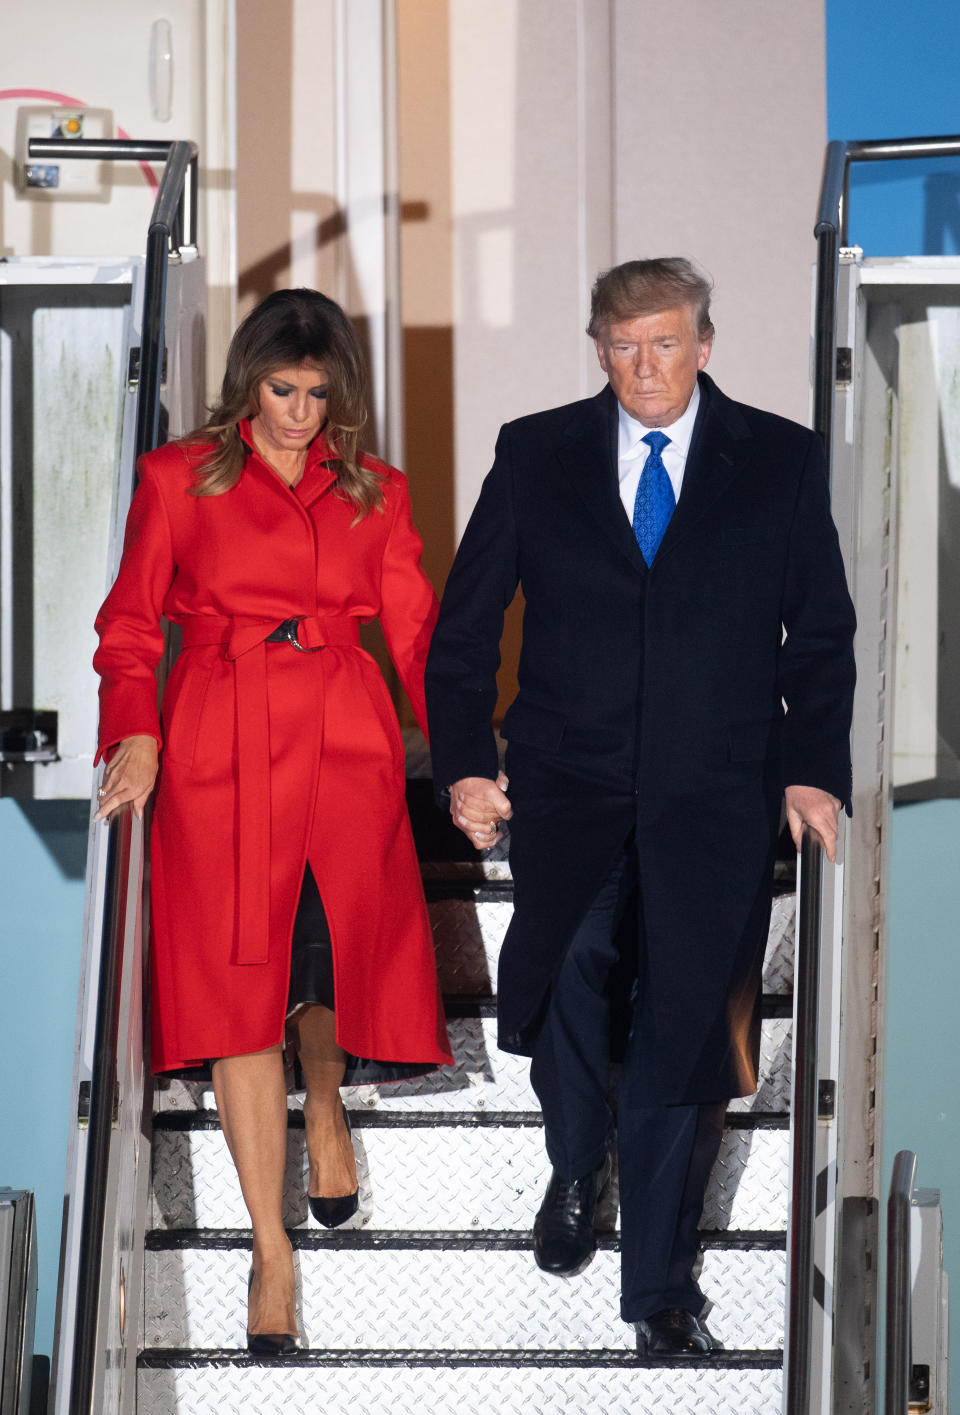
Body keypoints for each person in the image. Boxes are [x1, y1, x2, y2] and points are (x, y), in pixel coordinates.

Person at [424, 258, 855, 1356]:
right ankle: (578, 1158)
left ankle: (659, 1285)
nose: (647, 366)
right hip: (571, 776)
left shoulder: (783, 461)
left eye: (667, 342)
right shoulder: (537, 452)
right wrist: (467, 759)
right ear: (599, 346)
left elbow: (820, 633)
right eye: (625, 345)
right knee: (564, 969)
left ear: (705, 342)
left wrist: (813, 769)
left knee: (684, 1024)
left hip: (718, 786)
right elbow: (467, 627)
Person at [93, 288, 452, 1354]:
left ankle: (328, 1100)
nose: (300, 413)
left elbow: (420, 634)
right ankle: (269, 1243)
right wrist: (138, 732)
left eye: (319, 393)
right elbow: (127, 622)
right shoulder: (178, 478)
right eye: (282, 390)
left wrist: (471, 760)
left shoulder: (375, 490)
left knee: (333, 954)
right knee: (237, 984)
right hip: (218, 744)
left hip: (346, 738)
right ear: (249, 378)